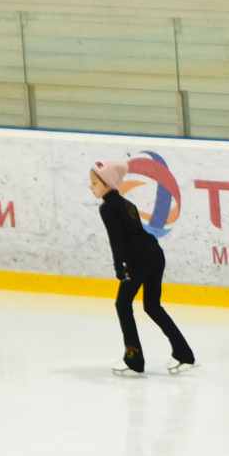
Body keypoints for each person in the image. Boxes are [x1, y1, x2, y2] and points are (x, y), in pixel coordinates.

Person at [91, 161, 196, 377]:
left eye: (94, 183)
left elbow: (116, 239)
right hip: (155, 254)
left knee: (123, 304)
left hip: (140, 259)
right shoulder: (127, 203)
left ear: (107, 183)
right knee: (152, 306)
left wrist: (119, 267)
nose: (91, 187)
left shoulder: (107, 207)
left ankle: (134, 359)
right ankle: (184, 353)